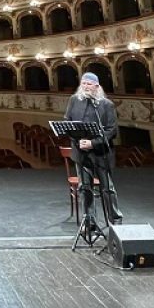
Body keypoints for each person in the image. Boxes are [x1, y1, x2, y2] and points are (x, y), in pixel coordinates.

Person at [63, 71, 123, 224]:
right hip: (81, 152)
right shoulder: (74, 100)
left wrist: (93, 143)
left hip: (100, 153)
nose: (85, 86)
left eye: (89, 84)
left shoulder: (106, 105)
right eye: (83, 83)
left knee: (107, 188)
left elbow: (111, 130)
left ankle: (115, 220)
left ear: (97, 86)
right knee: (85, 187)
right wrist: (78, 141)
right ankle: (89, 222)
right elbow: (67, 123)